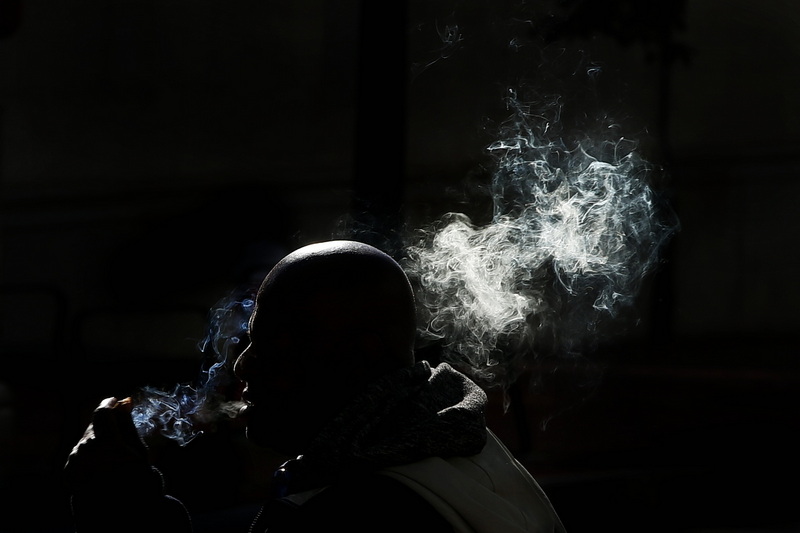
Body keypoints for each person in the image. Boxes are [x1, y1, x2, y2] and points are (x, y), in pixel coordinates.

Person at [65, 240, 566, 532]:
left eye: (273, 347)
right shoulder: (446, 434)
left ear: (358, 356)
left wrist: (122, 511)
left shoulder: (362, 513)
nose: (243, 368)